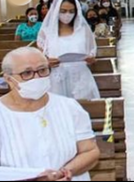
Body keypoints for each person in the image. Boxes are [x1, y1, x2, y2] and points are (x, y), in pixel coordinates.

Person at [0, 47, 100, 181]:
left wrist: (64, 173)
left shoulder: (70, 108)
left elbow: (90, 151)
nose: (37, 78)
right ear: (9, 79)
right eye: (27, 73)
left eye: (42, 70)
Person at [37, 0, 100, 101]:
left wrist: (91, 59)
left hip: (80, 78)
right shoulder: (46, 32)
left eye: (71, 11)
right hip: (56, 79)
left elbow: (92, 55)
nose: (67, 15)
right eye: (63, 11)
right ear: (56, 10)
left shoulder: (83, 30)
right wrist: (47, 62)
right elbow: (40, 60)